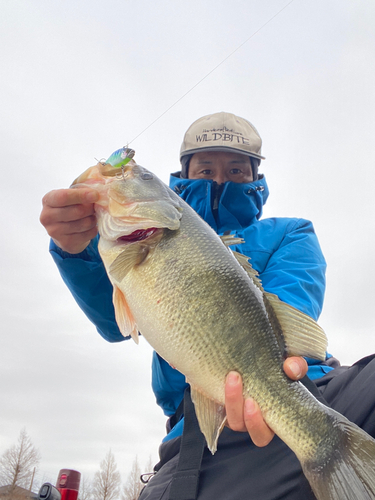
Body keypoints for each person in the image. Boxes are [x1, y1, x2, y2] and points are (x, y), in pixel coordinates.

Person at [40, 112, 375, 499]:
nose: (219, 178)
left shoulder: (291, 232)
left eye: (236, 168)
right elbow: (116, 324)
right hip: (202, 432)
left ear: (255, 179)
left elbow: (290, 313)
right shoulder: (131, 244)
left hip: (311, 390)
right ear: (182, 176)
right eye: (205, 167)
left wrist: (274, 382)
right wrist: (75, 250)